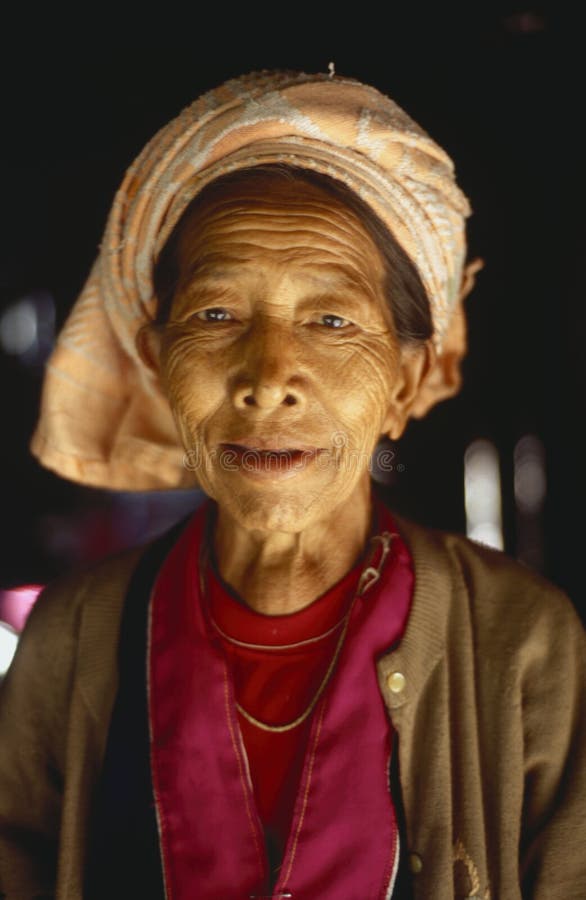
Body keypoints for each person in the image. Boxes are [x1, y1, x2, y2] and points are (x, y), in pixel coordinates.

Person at [0, 69, 584, 900]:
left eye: (331, 320)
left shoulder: (524, 642)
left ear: (408, 381)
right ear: (155, 356)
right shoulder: (72, 638)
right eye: (215, 315)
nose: (269, 378)